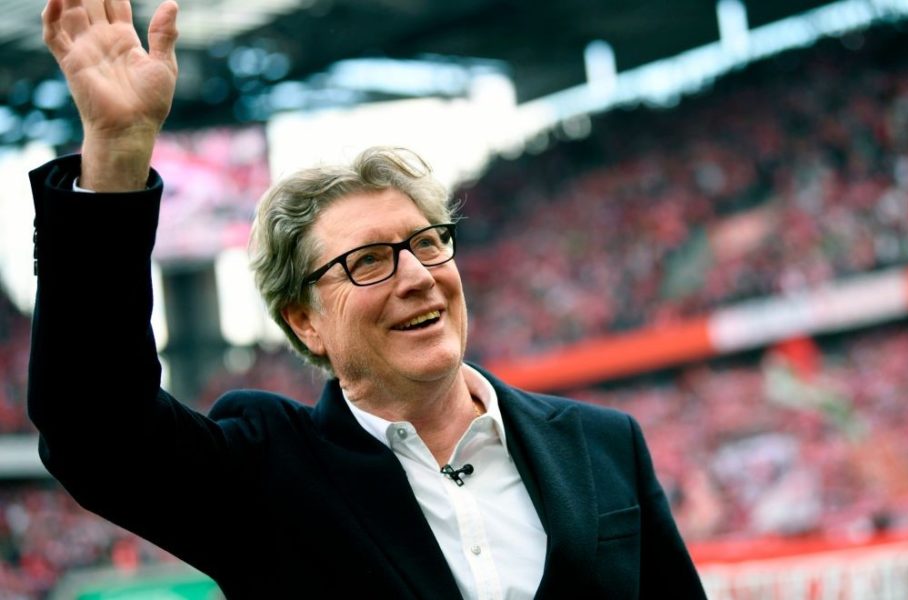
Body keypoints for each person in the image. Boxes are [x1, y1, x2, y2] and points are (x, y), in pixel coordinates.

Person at [27, 0, 707, 597]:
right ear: (304, 320)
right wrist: (116, 159)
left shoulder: (603, 443)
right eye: (369, 261)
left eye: (428, 242)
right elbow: (94, 429)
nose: (416, 275)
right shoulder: (268, 474)